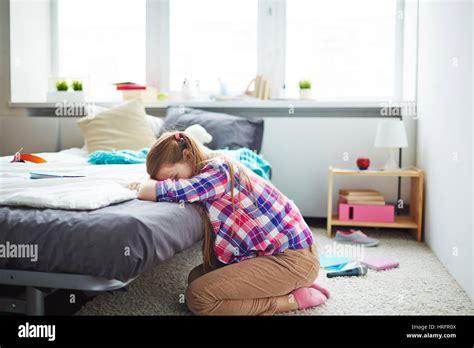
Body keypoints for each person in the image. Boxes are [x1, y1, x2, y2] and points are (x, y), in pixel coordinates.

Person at [128, 131, 329, 315]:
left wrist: (149, 186)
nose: (173, 182)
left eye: (173, 177)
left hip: (292, 260)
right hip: (272, 255)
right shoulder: (211, 172)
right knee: (196, 278)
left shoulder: (218, 171)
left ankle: (292, 300)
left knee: (199, 298)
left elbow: (171, 191)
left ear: (188, 156)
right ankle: (287, 286)